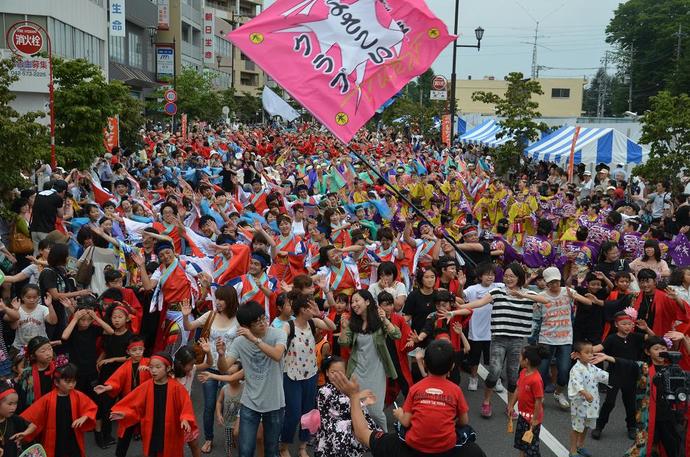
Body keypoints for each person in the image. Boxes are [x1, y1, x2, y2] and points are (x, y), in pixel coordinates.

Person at [328, 356, 487, 457]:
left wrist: (354, 396)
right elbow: (464, 422)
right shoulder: (471, 451)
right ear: (452, 367)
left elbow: (362, 433)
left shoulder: (395, 445)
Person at [460, 262, 550, 418]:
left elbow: (546, 301)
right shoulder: (498, 291)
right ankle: (487, 402)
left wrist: (523, 296)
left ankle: (510, 407)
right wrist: (455, 311)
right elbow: (478, 303)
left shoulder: (527, 294)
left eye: (512, 276)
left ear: (519, 278)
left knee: (513, 374)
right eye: (506, 276)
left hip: (518, 340)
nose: (508, 279)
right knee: (494, 371)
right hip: (499, 338)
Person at [217, 301, 287, 457]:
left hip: (274, 402)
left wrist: (255, 340)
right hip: (249, 402)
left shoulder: (278, 334)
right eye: (257, 322)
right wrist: (221, 355)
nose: (263, 323)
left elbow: (277, 355)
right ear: (245, 326)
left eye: (263, 318)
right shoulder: (239, 342)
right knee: (245, 450)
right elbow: (224, 368)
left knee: (271, 450)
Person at [182, 285, 239, 454]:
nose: (219, 302)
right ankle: (208, 438)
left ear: (230, 300)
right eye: (217, 298)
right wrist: (186, 316)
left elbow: (244, 343)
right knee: (208, 406)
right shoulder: (211, 315)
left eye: (222, 299)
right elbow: (188, 327)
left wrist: (239, 365)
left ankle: (230, 438)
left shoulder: (239, 319)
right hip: (210, 368)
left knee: (230, 405)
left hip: (230, 369)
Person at [110, 352, 197, 457]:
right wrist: (125, 414)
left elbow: (185, 406)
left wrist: (185, 418)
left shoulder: (177, 388)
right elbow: (135, 406)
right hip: (151, 432)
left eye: (158, 367)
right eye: (151, 367)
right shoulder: (145, 387)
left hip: (170, 432)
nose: (153, 370)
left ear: (168, 368)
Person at [280, 293, 335, 457]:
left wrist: (320, 314)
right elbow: (280, 343)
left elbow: (332, 327)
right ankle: (284, 446)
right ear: (303, 309)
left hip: (311, 374)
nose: (314, 309)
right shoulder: (288, 326)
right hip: (291, 376)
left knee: (309, 413)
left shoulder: (313, 322)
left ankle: (303, 447)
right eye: (311, 307)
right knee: (293, 414)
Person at [393, 339, 470, 455]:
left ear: (424, 364)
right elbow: (464, 421)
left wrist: (399, 414)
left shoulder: (415, 388)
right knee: (468, 431)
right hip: (446, 446)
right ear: (452, 367)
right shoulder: (456, 390)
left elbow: (405, 422)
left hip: (415, 444)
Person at [339, 289, 401, 431]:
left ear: (367, 302)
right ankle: (363, 439)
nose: (354, 305)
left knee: (375, 410)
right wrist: (343, 329)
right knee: (358, 407)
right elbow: (343, 343)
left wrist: (385, 319)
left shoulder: (379, 320)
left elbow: (396, 335)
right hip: (357, 371)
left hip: (376, 371)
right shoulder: (352, 323)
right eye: (352, 302)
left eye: (357, 301)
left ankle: (384, 438)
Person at [535, 267, 595, 409]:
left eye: (556, 282)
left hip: (565, 338)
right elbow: (535, 314)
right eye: (551, 282)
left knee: (564, 371)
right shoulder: (542, 295)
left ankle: (558, 392)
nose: (554, 285)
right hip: (546, 338)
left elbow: (589, 303)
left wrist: (574, 296)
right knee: (542, 371)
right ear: (546, 283)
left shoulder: (567, 291)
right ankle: (540, 395)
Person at [591, 310, 649, 440]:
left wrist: (647, 329)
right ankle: (599, 427)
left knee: (630, 404)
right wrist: (581, 350)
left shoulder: (635, 337)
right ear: (616, 325)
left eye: (629, 324)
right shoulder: (612, 338)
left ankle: (631, 427)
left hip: (631, 375)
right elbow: (598, 348)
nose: (627, 326)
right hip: (614, 375)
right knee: (609, 402)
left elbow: (655, 339)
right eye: (624, 324)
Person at [19, 363, 98, 457]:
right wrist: (24, 431)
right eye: (67, 381)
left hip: (72, 434)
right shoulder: (47, 399)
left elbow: (91, 408)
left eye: (73, 381)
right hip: (55, 436)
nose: (71, 385)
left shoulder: (78, 395)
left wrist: (84, 417)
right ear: (56, 382)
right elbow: (33, 416)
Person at [93, 337, 151, 457]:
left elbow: (161, 372)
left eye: (140, 349)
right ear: (128, 352)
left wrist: (150, 369)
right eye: (134, 350)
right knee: (125, 432)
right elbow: (116, 381)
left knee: (149, 431)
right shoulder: (125, 366)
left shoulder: (149, 362)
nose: (138, 352)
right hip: (130, 404)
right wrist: (106, 387)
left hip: (147, 403)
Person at [315, 355, 379, 457]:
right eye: (333, 372)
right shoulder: (323, 391)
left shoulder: (347, 388)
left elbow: (352, 406)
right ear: (327, 373)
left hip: (347, 431)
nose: (337, 376)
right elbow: (342, 407)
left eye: (341, 372)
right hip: (332, 431)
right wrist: (358, 397)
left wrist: (363, 402)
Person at [464, 262, 503, 392]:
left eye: (492, 275)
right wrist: (459, 284)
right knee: (474, 359)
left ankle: (496, 379)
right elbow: (461, 296)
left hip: (494, 332)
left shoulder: (499, 287)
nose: (490, 277)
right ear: (480, 276)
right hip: (476, 332)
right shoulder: (472, 289)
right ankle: (473, 378)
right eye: (487, 274)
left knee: (495, 359)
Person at [567, 341, 609, 457]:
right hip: (580, 403)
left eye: (592, 352)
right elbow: (576, 383)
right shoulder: (576, 369)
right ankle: (573, 450)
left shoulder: (592, 367)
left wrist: (614, 376)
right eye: (587, 353)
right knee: (577, 426)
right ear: (578, 354)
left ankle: (580, 445)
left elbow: (602, 375)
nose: (590, 355)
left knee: (586, 425)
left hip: (591, 403)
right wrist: (584, 393)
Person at [507, 344, 549, 457]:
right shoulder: (522, 372)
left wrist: (535, 419)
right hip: (522, 416)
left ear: (527, 361)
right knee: (522, 443)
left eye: (521, 356)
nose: (519, 358)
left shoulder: (536, 380)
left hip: (532, 420)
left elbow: (538, 401)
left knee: (531, 448)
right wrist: (511, 405)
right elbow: (517, 389)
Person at [634, 268, 689, 336]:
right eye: (642, 282)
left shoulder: (664, 296)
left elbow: (684, 311)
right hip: (639, 335)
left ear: (655, 282)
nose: (645, 285)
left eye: (648, 281)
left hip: (659, 334)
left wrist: (677, 299)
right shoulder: (636, 296)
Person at [29, 180, 67, 255]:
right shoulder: (57, 198)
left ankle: (35, 266)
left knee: (37, 253)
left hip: (34, 229)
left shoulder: (39, 194)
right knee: (47, 255)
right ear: (64, 191)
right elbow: (60, 214)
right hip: (46, 230)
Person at [12, 284, 55, 350]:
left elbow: (53, 321)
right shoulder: (18, 309)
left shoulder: (43, 309)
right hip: (20, 347)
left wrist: (50, 305)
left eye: (35, 297)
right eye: (28, 297)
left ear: (39, 297)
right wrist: (15, 310)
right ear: (22, 297)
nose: (32, 300)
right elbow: (14, 327)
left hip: (40, 346)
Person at [215, 362, 244, 457]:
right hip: (227, 421)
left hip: (240, 421)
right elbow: (219, 402)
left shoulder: (244, 388)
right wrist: (219, 415)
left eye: (233, 374)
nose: (230, 377)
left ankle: (237, 444)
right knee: (228, 440)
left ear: (241, 375)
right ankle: (229, 454)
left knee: (240, 439)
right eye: (229, 374)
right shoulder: (224, 389)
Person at [0, 383, 31, 457]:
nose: (14, 407)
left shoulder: (14, 419)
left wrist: (25, 433)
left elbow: (32, 426)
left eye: (15, 403)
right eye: (10, 404)